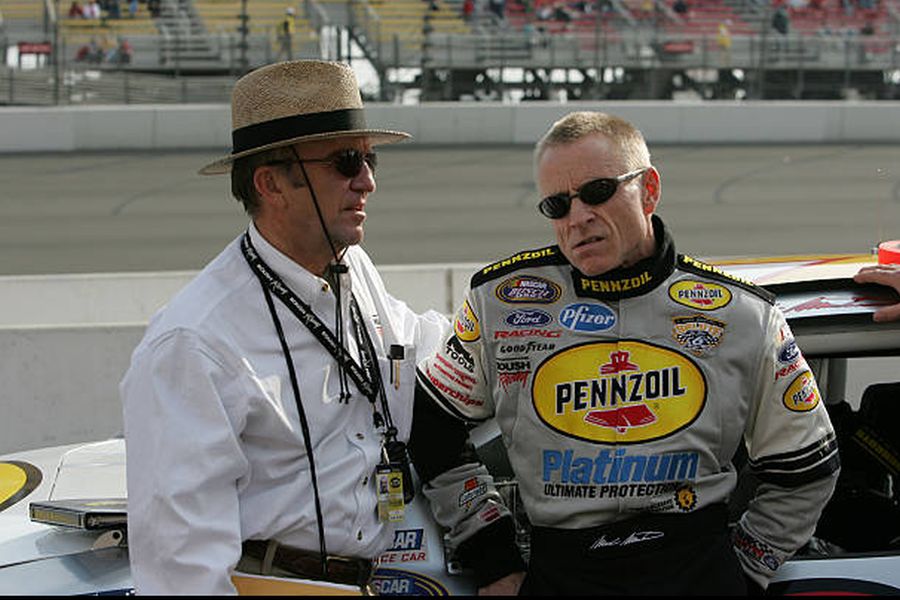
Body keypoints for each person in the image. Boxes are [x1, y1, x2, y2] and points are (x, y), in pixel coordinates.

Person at [121, 60, 523, 595]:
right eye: (346, 161)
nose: (368, 181)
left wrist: (531, 329)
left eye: (370, 158)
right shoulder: (192, 343)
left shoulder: (353, 270)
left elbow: (427, 346)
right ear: (270, 183)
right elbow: (181, 568)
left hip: (370, 580)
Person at [413, 111, 840, 595]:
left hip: (696, 570)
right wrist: (491, 556)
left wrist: (743, 566)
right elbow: (431, 426)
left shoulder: (742, 315)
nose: (577, 218)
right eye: (557, 205)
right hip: (560, 576)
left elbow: (808, 467)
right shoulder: (501, 303)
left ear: (650, 189)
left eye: (597, 192)